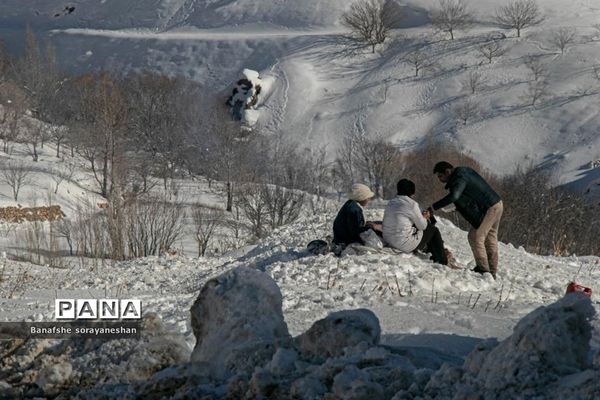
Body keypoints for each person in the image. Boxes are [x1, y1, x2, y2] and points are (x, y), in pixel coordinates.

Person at [431, 161, 503, 279]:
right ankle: (491, 272)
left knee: (476, 236)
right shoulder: (463, 172)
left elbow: (455, 195)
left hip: (490, 208)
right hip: (496, 204)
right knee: (490, 238)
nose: (440, 179)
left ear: (447, 172)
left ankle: (484, 270)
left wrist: (433, 207)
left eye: (440, 176)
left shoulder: (460, 177)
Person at [383, 179, 450, 266]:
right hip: (403, 244)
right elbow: (422, 226)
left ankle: (433, 252)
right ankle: (442, 260)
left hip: (389, 240)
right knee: (433, 230)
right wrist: (425, 217)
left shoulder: (391, 203)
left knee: (418, 227)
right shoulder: (412, 204)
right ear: (412, 193)